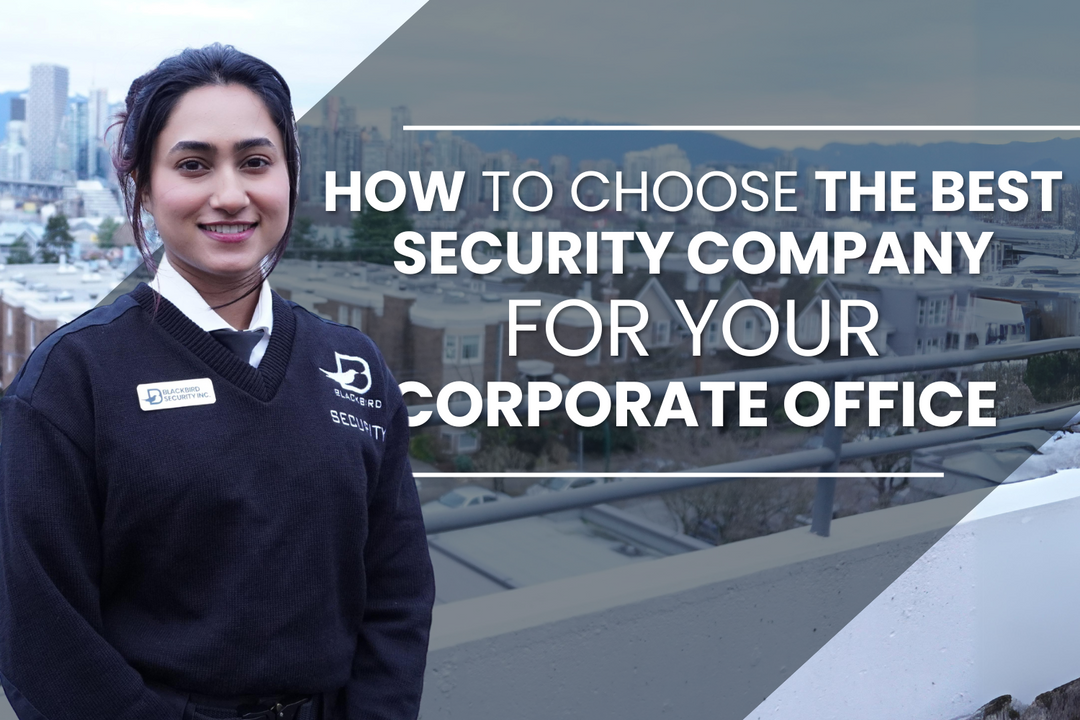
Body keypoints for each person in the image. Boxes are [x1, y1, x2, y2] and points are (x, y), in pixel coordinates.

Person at [0, 44, 435, 720]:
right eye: (193, 164)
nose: (230, 195)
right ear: (144, 184)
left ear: (291, 176)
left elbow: (398, 591)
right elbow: (40, 634)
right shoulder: (72, 379)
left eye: (257, 162)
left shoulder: (352, 367)